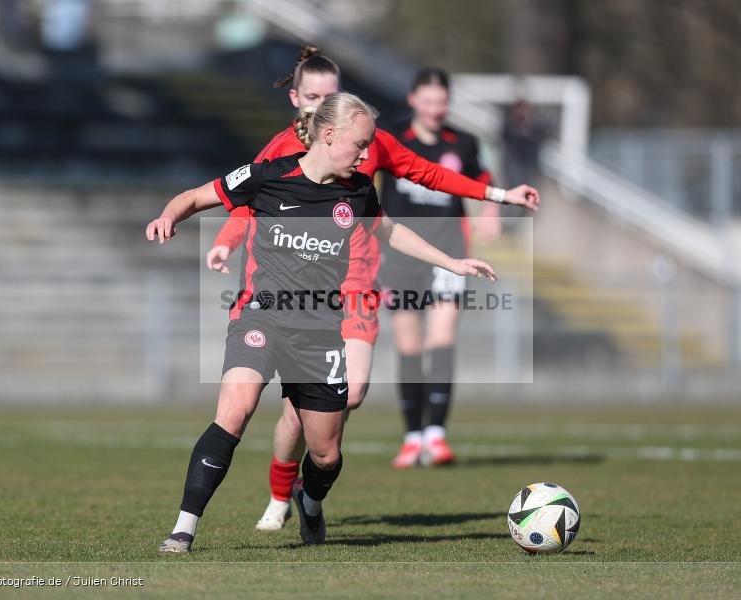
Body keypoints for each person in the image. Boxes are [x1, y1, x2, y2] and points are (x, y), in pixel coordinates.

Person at [205, 46, 541, 530]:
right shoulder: (279, 150)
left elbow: (427, 172)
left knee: (353, 393)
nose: (321, 102)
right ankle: (282, 493)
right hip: (299, 292)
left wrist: (498, 194)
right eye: (313, 95)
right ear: (296, 97)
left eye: (332, 94)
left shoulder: (369, 139)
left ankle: (310, 483)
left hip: (356, 279)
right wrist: (224, 243)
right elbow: (243, 202)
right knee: (297, 417)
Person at [147, 92, 499, 552]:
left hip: (320, 335)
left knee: (326, 454)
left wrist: (451, 263)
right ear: (329, 136)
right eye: (360, 144)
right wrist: (168, 216)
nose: (366, 153)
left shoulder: (355, 191)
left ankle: (309, 504)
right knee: (234, 412)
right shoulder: (267, 175)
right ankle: (184, 529)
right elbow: (196, 196)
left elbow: (391, 230)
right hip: (261, 317)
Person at [380, 68, 500, 468]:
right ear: (413, 100)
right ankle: (412, 436)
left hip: (449, 253)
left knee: (442, 340)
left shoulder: (461, 143)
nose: (435, 109)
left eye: (442, 102)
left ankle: (437, 436)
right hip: (400, 255)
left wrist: (491, 211)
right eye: (428, 101)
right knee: (409, 345)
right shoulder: (393, 140)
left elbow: (483, 180)